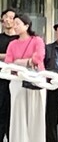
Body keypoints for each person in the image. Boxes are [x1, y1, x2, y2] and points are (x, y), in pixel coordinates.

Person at [5, 13, 46, 142]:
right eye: (14, 24)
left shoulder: (37, 40)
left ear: (27, 26)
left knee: (36, 114)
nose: (15, 26)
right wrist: (27, 61)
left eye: (17, 23)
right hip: (18, 82)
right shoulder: (12, 44)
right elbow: (8, 62)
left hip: (35, 80)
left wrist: (20, 62)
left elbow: (38, 58)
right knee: (18, 114)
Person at [0, 8, 18, 142]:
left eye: (11, 17)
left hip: (17, 80)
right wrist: (11, 57)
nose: (8, 20)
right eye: (5, 17)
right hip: (1, 80)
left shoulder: (20, 39)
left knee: (15, 113)